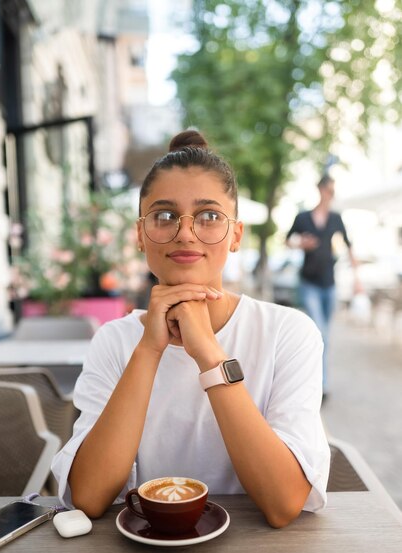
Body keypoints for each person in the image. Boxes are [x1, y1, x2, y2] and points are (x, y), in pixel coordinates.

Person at [52, 130, 330, 528]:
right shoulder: (114, 341)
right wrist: (148, 350)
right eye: (164, 216)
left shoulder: (289, 332)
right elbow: (91, 496)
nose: (185, 232)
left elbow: (284, 502)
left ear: (235, 235)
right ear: (139, 235)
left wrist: (208, 353)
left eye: (210, 216)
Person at [285, 175, 358, 398]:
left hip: (330, 284)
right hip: (309, 284)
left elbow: (348, 246)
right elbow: (287, 240)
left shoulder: (336, 218)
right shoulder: (303, 217)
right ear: (320, 189)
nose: (331, 194)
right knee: (321, 334)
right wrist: (300, 244)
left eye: (333, 191)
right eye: (329, 190)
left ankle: (319, 381)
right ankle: (320, 386)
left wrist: (358, 280)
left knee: (325, 337)